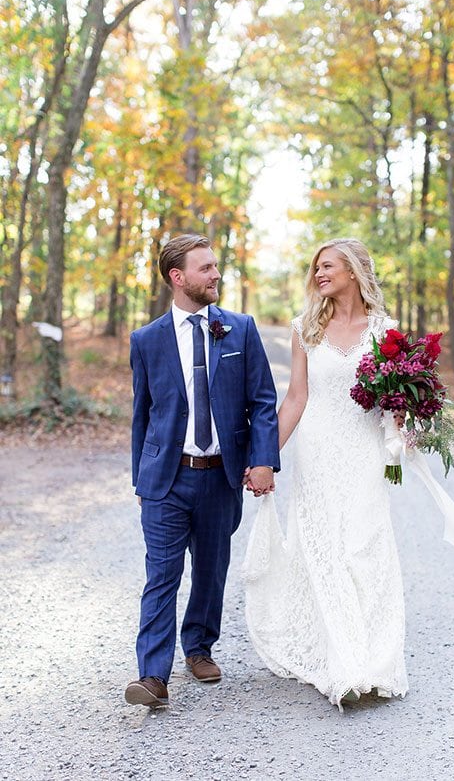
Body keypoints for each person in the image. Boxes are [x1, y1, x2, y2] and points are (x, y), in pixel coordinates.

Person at [243, 237, 408, 710]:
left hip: (365, 453)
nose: (318, 274)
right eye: (316, 267)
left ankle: (376, 659)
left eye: (328, 266)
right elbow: (296, 398)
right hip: (317, 452)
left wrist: (408, 429)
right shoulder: (305, 329)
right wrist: (264, 457)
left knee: (364, 547)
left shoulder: (385, 332)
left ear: (354, 272)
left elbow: (398, 401)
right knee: (324, 549)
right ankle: (344, 662)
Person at [125, 233, 280, 708]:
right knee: (162, 575)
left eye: (216, 267)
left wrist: (262, 460)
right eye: (206, 268)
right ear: (178, 277)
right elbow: (142, 413)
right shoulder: (146, 340)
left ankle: (199, 647)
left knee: (211, 569)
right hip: (166, 479)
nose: (216, 275)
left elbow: (263, 401)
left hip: (220, 475)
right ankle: (152, 676)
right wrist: (140, 478)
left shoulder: (240, 329)